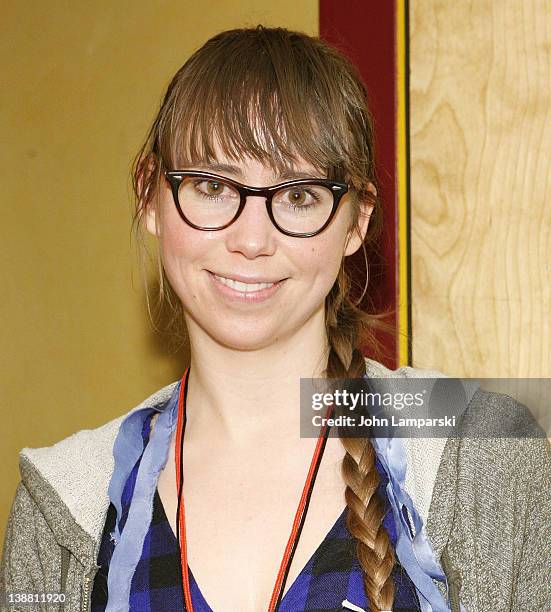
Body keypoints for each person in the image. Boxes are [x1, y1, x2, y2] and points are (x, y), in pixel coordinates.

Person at [1, 25, 549, 612]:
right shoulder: (62, 498)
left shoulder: (482, 448)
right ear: (148, 195)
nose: (252, 239)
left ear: (357, 222)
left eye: (298, 196)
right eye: (213, 186)